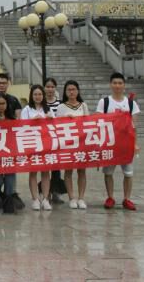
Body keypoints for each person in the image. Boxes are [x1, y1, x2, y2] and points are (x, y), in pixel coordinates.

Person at [97, 72, 140, 211]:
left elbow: (134, 126)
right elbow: (99, 122)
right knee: (108, 172)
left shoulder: (131, 103)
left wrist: (135, 144)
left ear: (124, 85)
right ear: (110, 85)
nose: (117, 85)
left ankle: (127, 198)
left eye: (120, 83)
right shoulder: (104, 102)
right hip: (110, 142)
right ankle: (110, 197)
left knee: (128, 172)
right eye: (115, 83)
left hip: (126, 144)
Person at [56, 80, 90, 209]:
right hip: (68, 143)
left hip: (81, 143)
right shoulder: (61, 107)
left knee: (82, 171)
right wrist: (65, 120)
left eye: (73, 89)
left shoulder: (83, 105)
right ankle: (71, 198)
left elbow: (88, 123)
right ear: (65, 92)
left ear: (78, 91)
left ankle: (81, 198)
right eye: (69, 90)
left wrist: (78, 120)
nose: (71, 92)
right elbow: (56, 125)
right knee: (68, 171)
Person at [21, 84, 54, 211]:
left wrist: (50, 119)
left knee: (46, 172)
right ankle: (35, 199)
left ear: (43, 95)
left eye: (40, 94)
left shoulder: (48, 109)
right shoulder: (27, 109)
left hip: (46, 144)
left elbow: (56, 126)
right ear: (31, 95)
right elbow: (21, 126)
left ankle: (45, 199)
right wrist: (32, 121)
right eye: (35, 94)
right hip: (32, 144)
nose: (38, 96)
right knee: (33, 171)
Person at [43, 77, 66, 202]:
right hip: (44, 139)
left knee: (56, 167)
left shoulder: (61, 104)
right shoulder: (40, 103)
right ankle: (46, 192)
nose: (50, 89)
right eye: (48, 86)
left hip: (58, 139)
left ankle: (56, 192)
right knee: (45, 166)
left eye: (52, 87)